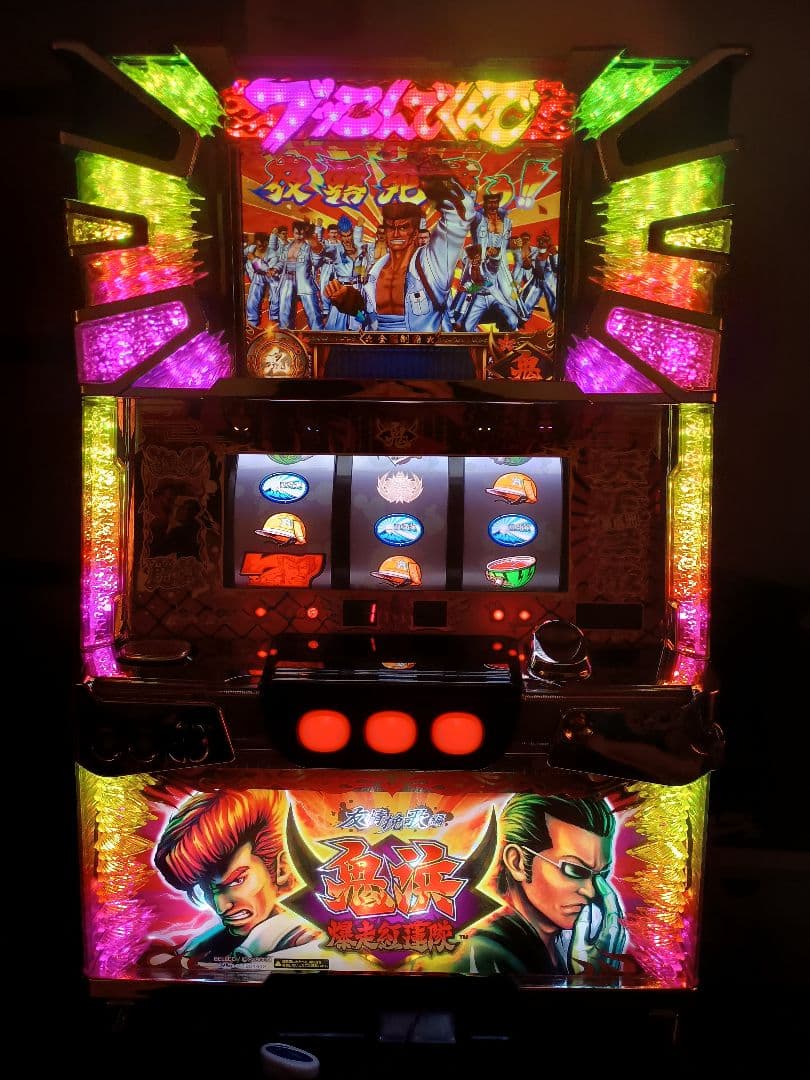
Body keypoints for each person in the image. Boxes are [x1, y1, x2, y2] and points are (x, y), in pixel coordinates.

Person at [456, 794, 627, 978]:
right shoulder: (485, 954)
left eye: (602, 875)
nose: (592, 892)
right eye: (575, 870)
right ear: (517, 862)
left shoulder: (557, 948)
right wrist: (593, 982)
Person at [152, 788, 318, 963]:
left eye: (237, 880)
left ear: (281, 869)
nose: (221, 907)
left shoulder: (308, 951)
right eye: (208, 889)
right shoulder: (203, 944)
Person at [324, 164, 474, 334]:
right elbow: (364, 318)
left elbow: (463, 214)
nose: (396, 233)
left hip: (422, 348)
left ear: (415, 232)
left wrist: (440, 181)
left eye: (403, 227)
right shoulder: (374, 273)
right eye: (390, 227)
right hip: (378, 347)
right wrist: (347, 302)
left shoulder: (432, 266)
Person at [270, 220, 324, 330]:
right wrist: (275, 269)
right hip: (287, 281)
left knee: (313, 312)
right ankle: (285, 336)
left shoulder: (308, 247)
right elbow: (282, 262)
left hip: (304, 281)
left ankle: (317, 334)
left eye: (301, 234)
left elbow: (317, 262)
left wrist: (316, 247)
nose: (299, 236)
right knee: (284, 312)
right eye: (296, 233)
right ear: (293, 233)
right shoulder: (287, 247)